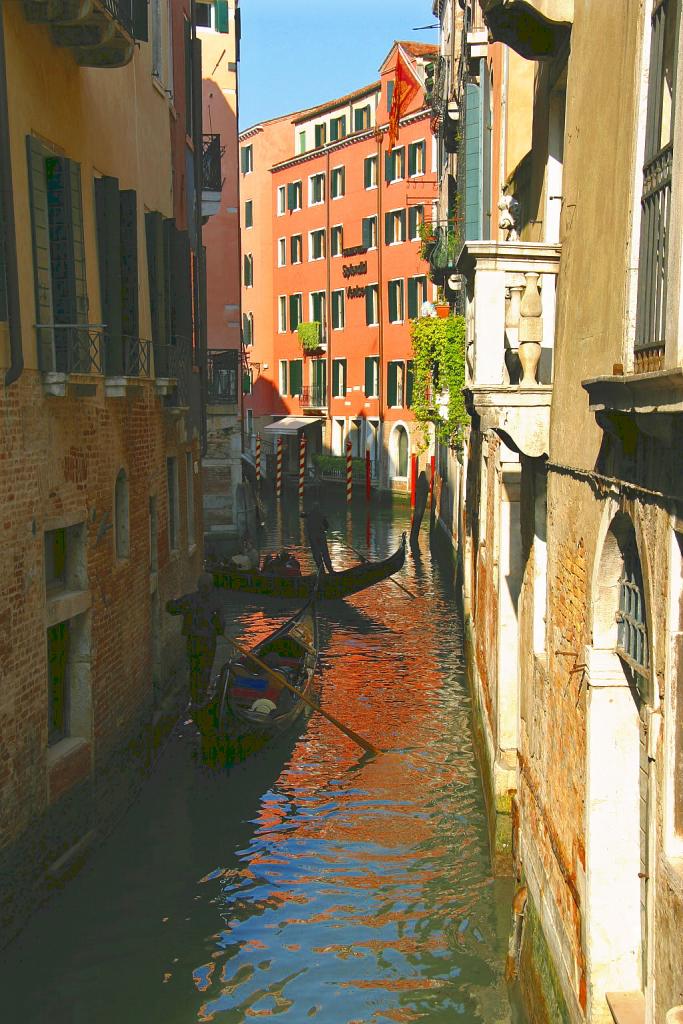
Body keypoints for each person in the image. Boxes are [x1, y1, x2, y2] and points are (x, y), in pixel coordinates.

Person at [166, 573, 225, 708]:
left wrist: (171, 601)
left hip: (193, 640)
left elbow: (172, 608)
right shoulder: (217, 602)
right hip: (209, 642)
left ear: (198, 586)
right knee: (206, 668)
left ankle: (195, 698)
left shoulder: (190, 599)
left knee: (194, 668)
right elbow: (221, 627)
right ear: (211, 586)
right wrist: (217, 628)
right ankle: (202, 697)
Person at [301, 502, 334, 573]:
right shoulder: (321, 515)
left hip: (313, 537)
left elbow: (302, 515)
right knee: (325, 553)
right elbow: (327, 526)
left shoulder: (309, 514)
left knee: (317, 554)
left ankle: (322, 571)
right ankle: (330, 571)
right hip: (321, 536)